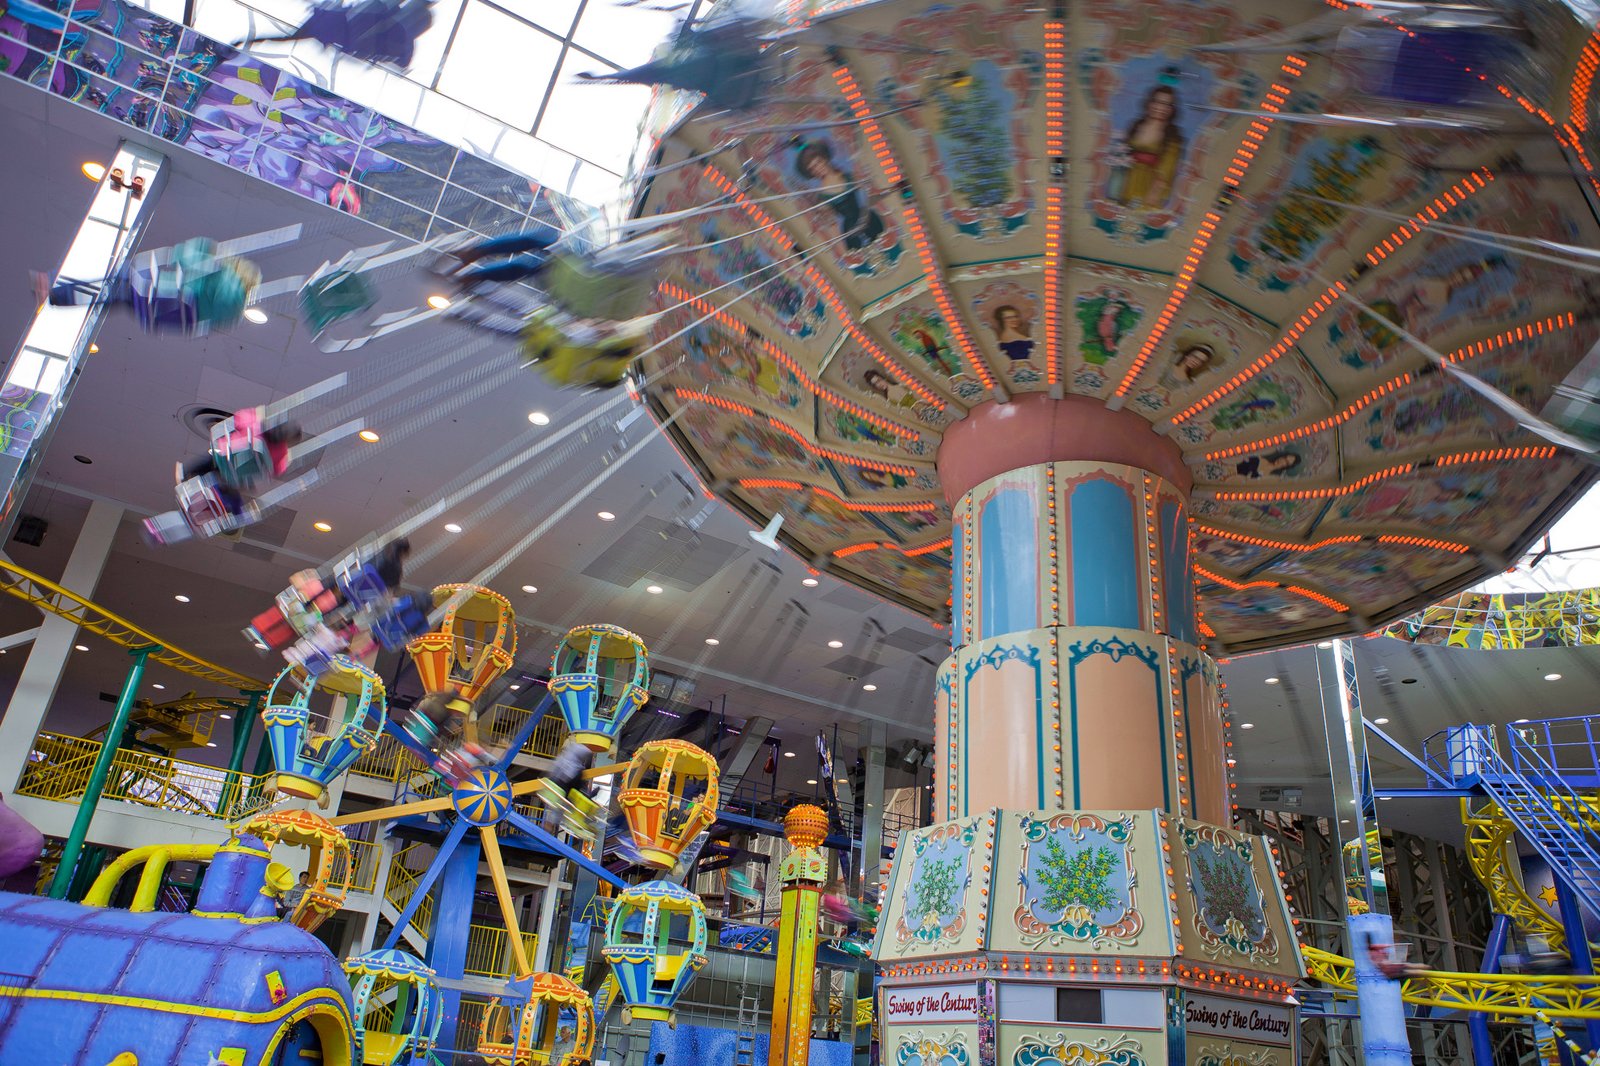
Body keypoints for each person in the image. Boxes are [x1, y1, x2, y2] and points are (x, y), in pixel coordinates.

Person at [795, 140, 885, 252]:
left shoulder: (847, 176)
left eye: (818, 162)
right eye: (812, 168)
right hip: (852, 231)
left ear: (825, 159)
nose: (817, 168)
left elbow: (870, 191)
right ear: (811, 173)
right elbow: (832, 226)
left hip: (870, 218)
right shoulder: (822, 198)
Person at [1110, 83, 1184, 209]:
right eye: (1157, 102)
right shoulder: (1135, 126)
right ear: (1149, 103)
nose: (1160, 108)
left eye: (1166, 104)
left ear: (1171, 109)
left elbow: (1166, 172)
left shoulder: (1172, 137)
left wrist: (1153, 196)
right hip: (1126, 184)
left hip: (1148, 188)